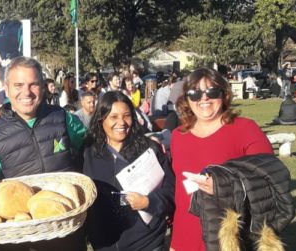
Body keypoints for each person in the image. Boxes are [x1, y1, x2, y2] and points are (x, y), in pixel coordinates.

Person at [0, 57, 87, 251]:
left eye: (33, 84)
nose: (26, 92)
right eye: (18, 85)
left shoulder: (63, 118)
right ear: (7, 87)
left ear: (43, 87)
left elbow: (93, 149)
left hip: (67, 232)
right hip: (24, 240)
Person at [170, 67, 274, 251]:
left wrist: (223, 186)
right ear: (186, 98)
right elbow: (178, 189)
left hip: (231, 237)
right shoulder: (178, 136)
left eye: (212, 91)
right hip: (185, 236)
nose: (204, 99)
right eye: (195, 93)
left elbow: (270, 177)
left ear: (224, 95)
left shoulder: (245, 129)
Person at [82, 92, 175, 251]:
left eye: (126, 116)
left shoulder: (149, 150)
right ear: (101, 120)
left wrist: (148, 202)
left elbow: (171, 191)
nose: (121, 122)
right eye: (113, 117)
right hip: (104, 245)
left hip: (146, 243)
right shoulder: (87, 154)